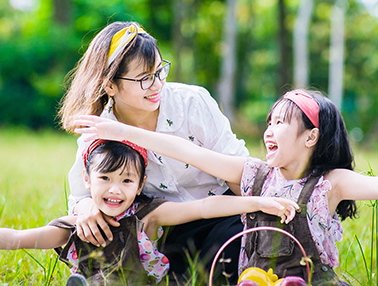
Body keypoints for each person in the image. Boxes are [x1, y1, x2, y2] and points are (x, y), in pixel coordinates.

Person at [74, 89, 378, 285]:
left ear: (311, 137)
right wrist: (119, 130)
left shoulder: (330, 184)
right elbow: (185, 151)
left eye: (282, 122)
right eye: (269, 122)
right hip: (254, 279)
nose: (270, 130)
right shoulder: (252, 173)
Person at [0, 140, 298, 286]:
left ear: (141, 181)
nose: (116, 189)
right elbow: (17, 238)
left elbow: (204, 207)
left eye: (127, 181)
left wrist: (256, 202)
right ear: (87, 177)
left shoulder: (148, 215)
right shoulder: (75, 228)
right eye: (106, 178)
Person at [58, 21, 249, 281]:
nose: (158, 84)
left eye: (160, 71)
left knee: (225, 258)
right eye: (144, 79)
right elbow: (81, 193)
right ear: (110, 85)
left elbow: (242, 170)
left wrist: (258, 217)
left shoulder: (192, 102)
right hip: (164, 229)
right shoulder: (100, 128)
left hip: (221, 211)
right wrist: (86, 206)